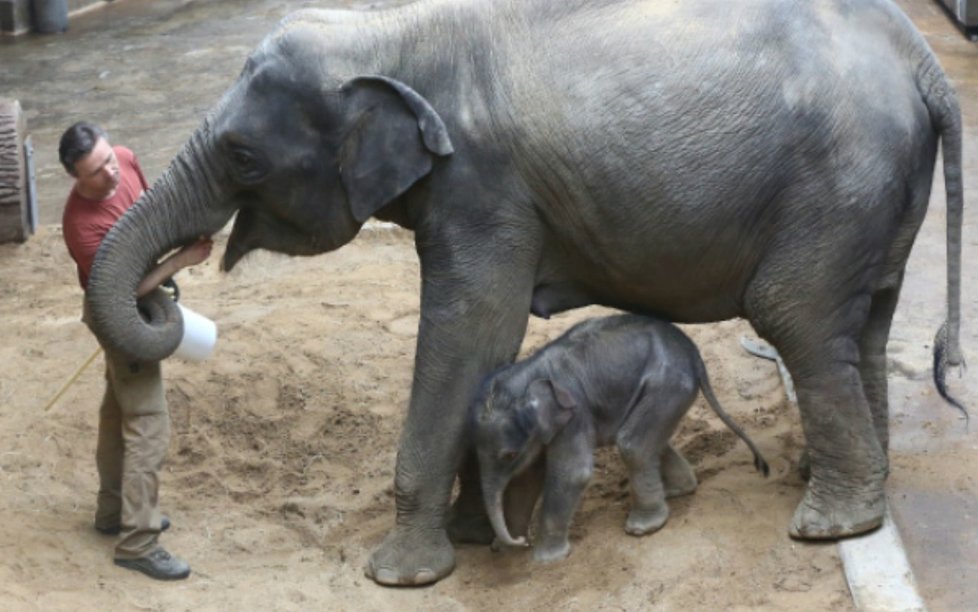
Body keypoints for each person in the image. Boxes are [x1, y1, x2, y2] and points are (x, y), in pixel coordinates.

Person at [59, 122, 212, 580]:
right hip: (116, 310)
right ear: (75, 178)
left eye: (108, 161)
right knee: (148, 422)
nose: (109, 174)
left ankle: (111, 513)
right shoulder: (80, 226)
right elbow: (122, 293)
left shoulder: (124, 158)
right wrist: (180, 261)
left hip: (141, 295)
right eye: (95, 172)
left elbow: (152, 213)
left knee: (117, 409)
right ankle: (138, 542)